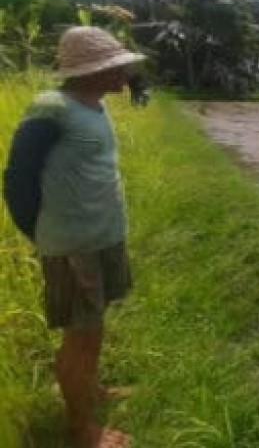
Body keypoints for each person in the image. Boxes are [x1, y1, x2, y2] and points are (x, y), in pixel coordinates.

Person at [3, 26, 143, 448]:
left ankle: (92, 391)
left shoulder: (93, 106)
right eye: (115, 66)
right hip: (73, 246)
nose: (124, 73)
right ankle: (82, 428)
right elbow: (17, 179)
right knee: (81, 337)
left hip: (102, 238)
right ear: (90, 71)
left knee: (94, 326)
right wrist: (40, 232)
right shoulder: (52, 107)